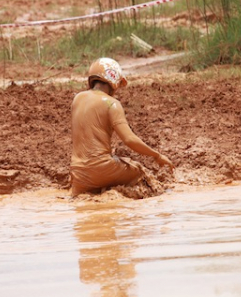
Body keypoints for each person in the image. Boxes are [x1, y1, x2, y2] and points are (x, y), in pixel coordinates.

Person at [71, 58, 173, 197]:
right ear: (113, 81)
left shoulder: (77, 99)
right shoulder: (112, 103)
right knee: (139, 172)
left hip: (77, 175)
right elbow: (129, 139)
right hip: (101, 168)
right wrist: (157, 155)